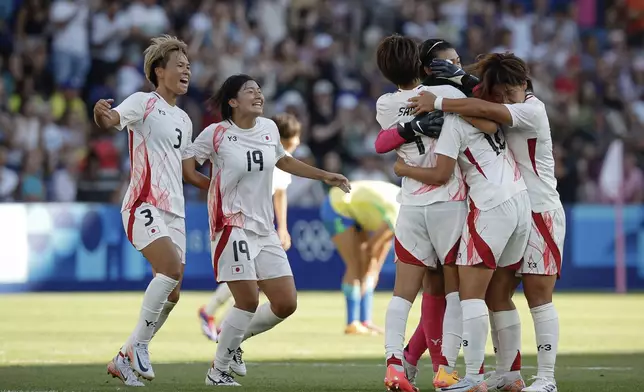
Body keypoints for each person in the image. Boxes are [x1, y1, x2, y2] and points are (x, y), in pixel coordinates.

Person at [182, 74, 350, 386]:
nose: (258, 95)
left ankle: (232, 343)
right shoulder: (216, 134)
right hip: (231, 225)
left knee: (286, 303)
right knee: (247, 301)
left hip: (263, 227)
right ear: (233, 101)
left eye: (260, 90)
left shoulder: (269, 128)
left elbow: (284, 161)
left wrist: (325, 175)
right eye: (250, 91)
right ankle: (217, 371)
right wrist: (214, 191)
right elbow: (187, 168)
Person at [411, 52, 564, 392]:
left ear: (524, 85)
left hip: (542, 210)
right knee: (497, 294)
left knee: (539, 296)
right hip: (519, 205)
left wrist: (440, 99)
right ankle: (510, 375)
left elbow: (489, 110)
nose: (503, 99)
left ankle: (547, 379)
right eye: (499, 93)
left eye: (509, 93)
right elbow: (483, 99)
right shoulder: (502, 100)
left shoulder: (532, 109)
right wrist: (460, 79)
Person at [374, 36, 496, 392]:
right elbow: (493, 116)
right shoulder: (445, 96)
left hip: (411, 206)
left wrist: (407, 130)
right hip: (449, 203)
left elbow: (383, 142)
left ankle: (395, 365)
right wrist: (461, 78)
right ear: (421, 64)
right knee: (455, 292)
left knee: (403, 294)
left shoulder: (385, 104)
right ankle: (445, 369)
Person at [93, 35, 209, 386]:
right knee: (169, 269)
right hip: (144, 202)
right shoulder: (143, 102)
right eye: (179, 65)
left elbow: (189, 173)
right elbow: (110, 119)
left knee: (173, 292)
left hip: (175, 211)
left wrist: (219, 186)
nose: (187, 70)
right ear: (159, 71)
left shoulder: (185, 120)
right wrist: (101, 113)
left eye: (189, 66)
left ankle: (124, 356)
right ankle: (141, 346)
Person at [198, 113, 302, 341]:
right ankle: (215, 315)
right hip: (239, 223)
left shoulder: (282, 160)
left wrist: (281, 227)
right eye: (295, 139)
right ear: (285, 138)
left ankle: (218, 319)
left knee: (257, 280)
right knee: (250, 279)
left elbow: (280, 194)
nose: (298, 144)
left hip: (262, 226)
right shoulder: (261, 156)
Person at [319, 180, 401, 335]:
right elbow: (369, 248)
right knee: (355, 265)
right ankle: (352, 323)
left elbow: (378, 252)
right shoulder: (398, 213)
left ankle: (365, 322)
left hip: (357, 208)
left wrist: (373, 270)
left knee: (370, 268)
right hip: (336, 205)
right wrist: (371, 269)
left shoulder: (405, 209)